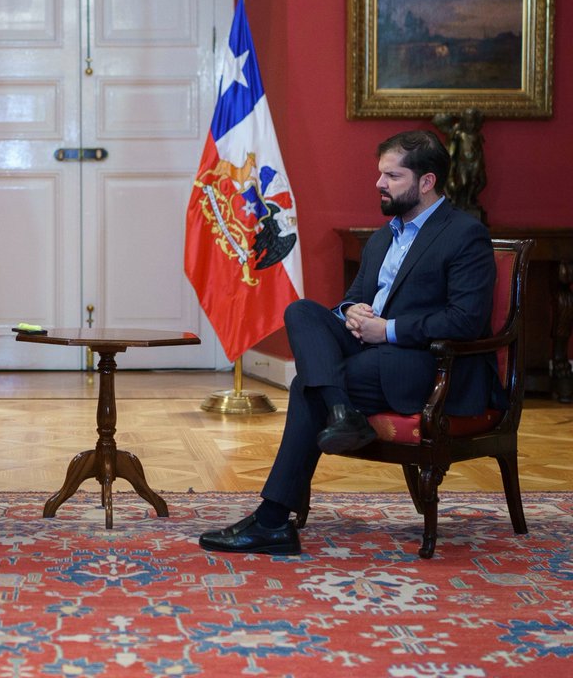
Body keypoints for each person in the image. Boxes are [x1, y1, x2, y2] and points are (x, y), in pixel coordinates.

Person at [199, 129, 501, 555]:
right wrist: (351, 312)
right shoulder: (382, 237)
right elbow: (355, 296)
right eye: (380, 174)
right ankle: (342, 412)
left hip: (430, 366)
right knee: (302, 310)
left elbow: (466, 320)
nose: (379, 184)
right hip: (375, 351)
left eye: (392, 176)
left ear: (427, 181)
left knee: (308, 386)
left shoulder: (464, 234)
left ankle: (273, 520)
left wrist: (388, 329)